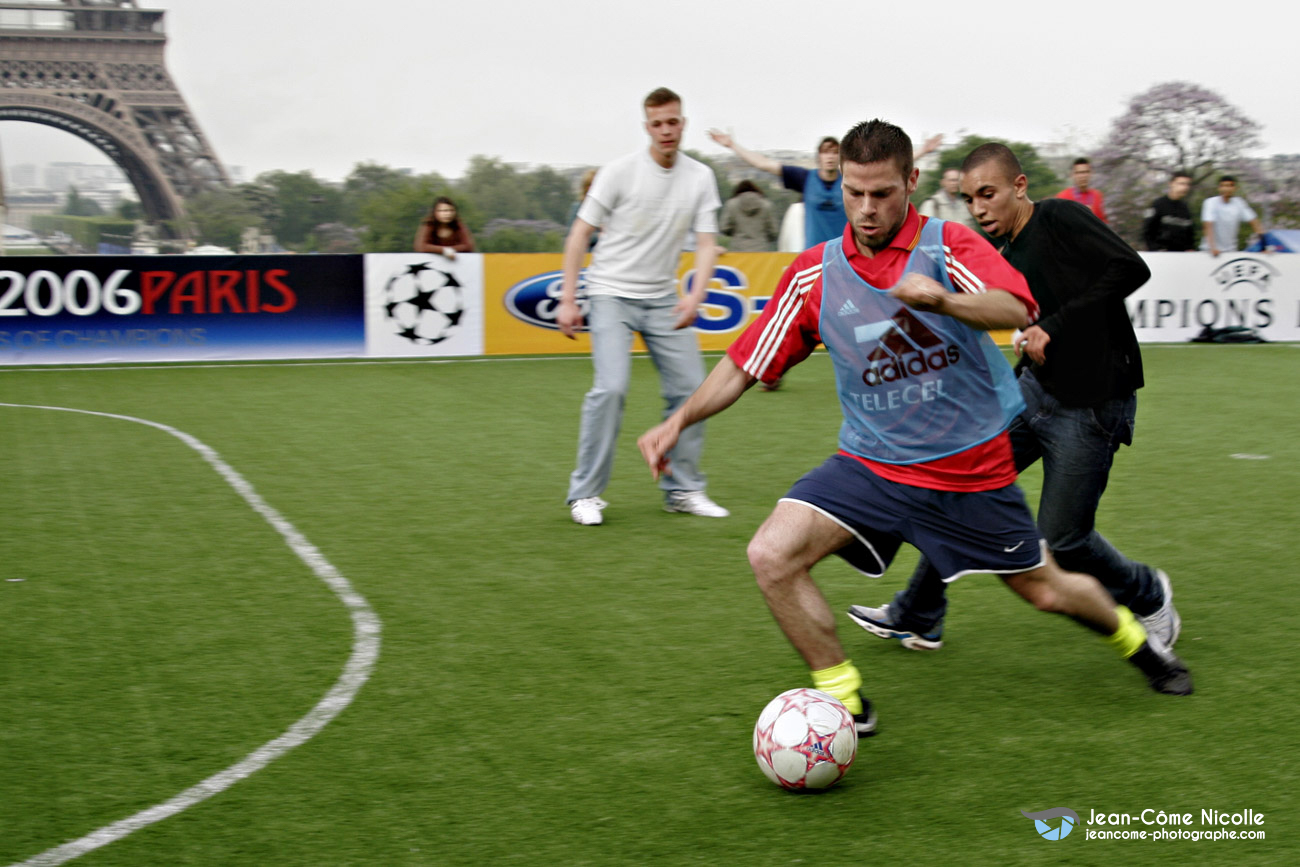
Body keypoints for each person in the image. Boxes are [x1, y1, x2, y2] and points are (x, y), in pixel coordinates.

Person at [638, 121, 1192, 735]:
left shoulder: (949, 245)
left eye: (882, 193)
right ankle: (845, 703)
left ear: (912, 182)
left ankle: (1138, 643)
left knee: (1046, 587)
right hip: (870, 467)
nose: (867, 209)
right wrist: (678, 421)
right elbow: (745, 363)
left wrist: (944, 301)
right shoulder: (813, 275)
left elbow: (1015, 307)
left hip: (969, 473)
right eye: (854, 193)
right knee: (770, 554)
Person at [849, 142, 1181, 656]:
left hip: (1094, 403)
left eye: (988, 194)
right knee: (957, 487)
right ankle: (918, 616)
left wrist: (1053, 325)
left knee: (1063, 542)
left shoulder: (1062, 217)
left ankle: (1148, 593)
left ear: (1019, 188)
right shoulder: (999, 253)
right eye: (970, 199)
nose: (980, 208)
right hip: (1033, 395)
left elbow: (1131, 269)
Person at [557, 86, 728, 526]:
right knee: (611, 388)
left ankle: (683, 489)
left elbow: (708, 244)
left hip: (663, 299)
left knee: (693, 391)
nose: (666, 131)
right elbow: (579, 235)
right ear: (646, 127)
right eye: (657, 124)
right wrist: (568, 298)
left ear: (683, 123)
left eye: (673, 122)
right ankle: (585, 494)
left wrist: (695, 295)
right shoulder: (619, 173)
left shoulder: (700, 178)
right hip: (610, 292)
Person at [707, 129, 941, 248]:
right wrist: (732, 145)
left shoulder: (852, 181)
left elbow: (889, 169)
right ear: (818, 156)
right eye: (825, 152)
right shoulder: (804, 178)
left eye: (834, 153)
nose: (829, 157)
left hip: (850, 253)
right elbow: (764, 164)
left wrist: (923, 152)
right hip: (817, 256)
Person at [1201, 175, 1265, 257]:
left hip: (1230, 252)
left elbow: (1255, 223)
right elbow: (1208, 225)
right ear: (1219, 188)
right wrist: (1212, 248)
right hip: (1209, 252)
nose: (1226, 189)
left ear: (1235, 188)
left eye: (1229, 186)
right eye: (1223, 186)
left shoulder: (1239, 203)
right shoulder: (1210, 202)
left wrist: (1264, 246)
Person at [720, 180, 779, 252]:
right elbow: (774, 232)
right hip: (761, 249)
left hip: (738, 249)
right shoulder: (766, 205)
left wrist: (734, 232)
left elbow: (725, 228)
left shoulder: (731, 204)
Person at [1143, 172, 1197, 251]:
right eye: (1181, 184)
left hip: (1182, 255)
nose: (1185, 187)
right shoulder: (1158, 204)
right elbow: (1148, 231)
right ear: (1171, 184)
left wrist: (1190, 248)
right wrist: (1155, 249)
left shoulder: (1185, 208)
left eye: (1187, 184)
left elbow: (1189, 233)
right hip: (1161, 254)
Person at [1056, 158, 1107, 222]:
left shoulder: (1097, 195)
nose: (1083, 176)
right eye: (1079, 173)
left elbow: (1103, 222)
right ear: (1072, 175)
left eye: (1086, 172)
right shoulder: (1063, 197)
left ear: (1091, 174)